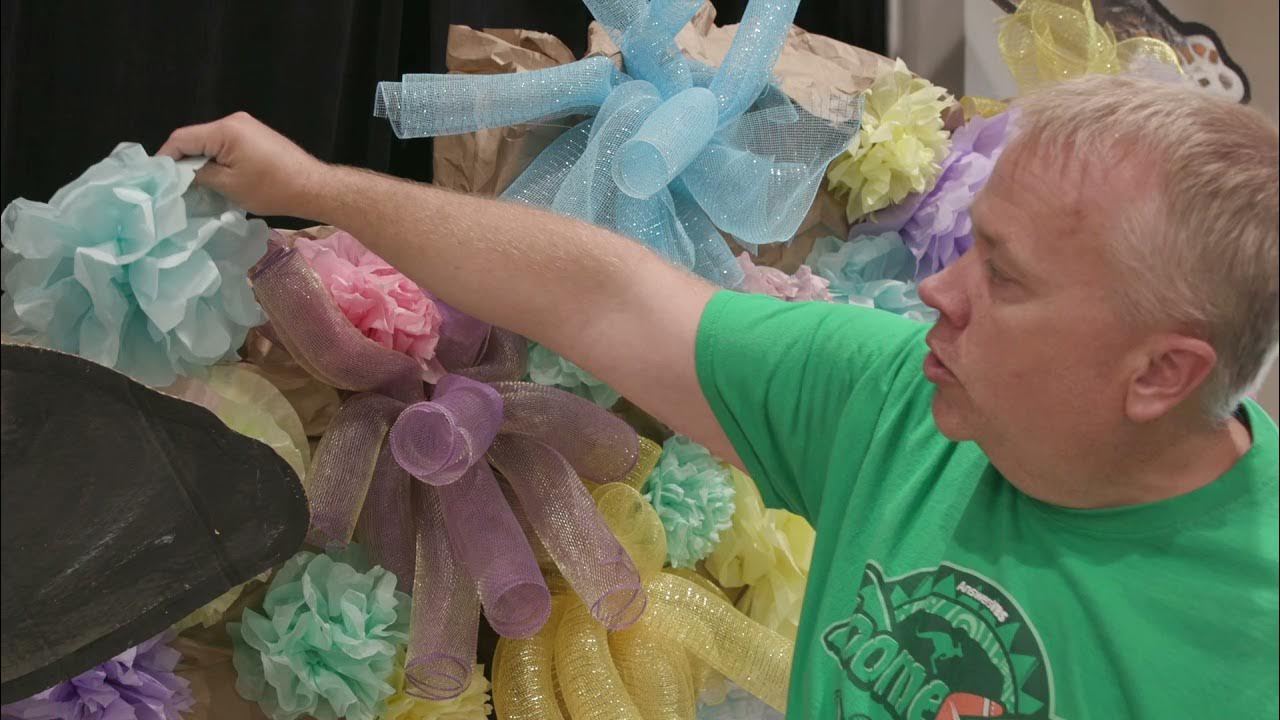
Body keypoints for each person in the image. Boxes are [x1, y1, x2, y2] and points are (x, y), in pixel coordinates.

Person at [159, 74, 1279, 719]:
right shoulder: (899, 393)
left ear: (1160, 373)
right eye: (970, 247)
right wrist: (313, 186)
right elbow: (607, 301)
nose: (938, 289)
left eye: (1008, 277)